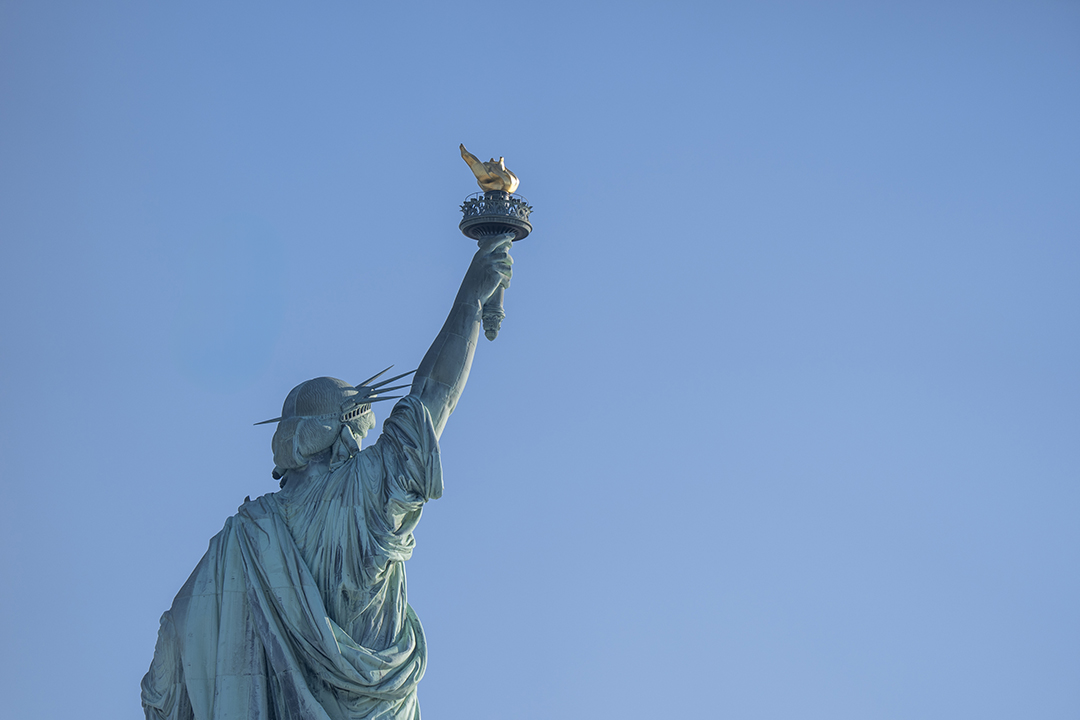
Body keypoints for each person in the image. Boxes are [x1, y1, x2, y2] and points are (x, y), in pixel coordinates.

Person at [141, 235, 515, 720]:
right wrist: (470, 301)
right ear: (342, 435)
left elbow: (167, 662)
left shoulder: (246, 535)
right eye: (361, 431)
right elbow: (431, 398)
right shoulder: (361, 492)